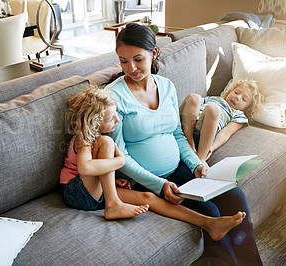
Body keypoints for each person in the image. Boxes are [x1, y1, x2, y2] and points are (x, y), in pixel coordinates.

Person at [105, 22, 262, 265]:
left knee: (235, 195)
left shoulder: (166, 86)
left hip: (180, 168)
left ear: (153, 53)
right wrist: (159, 184)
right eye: (123, 61)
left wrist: (196, 164)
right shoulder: (113, 96)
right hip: (144, 180)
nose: (131, 68)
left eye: (138, 59)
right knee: (210, 213)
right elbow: (120, 154)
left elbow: (177, 134)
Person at [60, 87, 246, 242]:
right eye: (111, 118)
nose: (117, 120)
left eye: (116, 114)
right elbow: (85, 169)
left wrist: (113, 181)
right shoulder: (85, 138)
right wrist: (120, 161)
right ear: (95, 121)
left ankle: (209, 224)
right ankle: (113, 204)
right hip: (76, 192)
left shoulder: (101, 138)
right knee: (108, 143)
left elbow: (97, 170)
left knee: (149, 197)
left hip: (94, 189)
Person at [180, 79, 266, 162]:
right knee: (194, 97)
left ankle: (200, 158)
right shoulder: (214, 98)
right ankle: (190, 143)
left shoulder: (238, 114)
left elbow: (226, 133)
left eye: (244, 99)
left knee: (213, 110)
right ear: (229, 92)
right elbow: (192, 105)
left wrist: (212, 147)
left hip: (203, 131)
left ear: (246, 108)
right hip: (188, 124)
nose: (237, 97)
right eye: (236, 92)